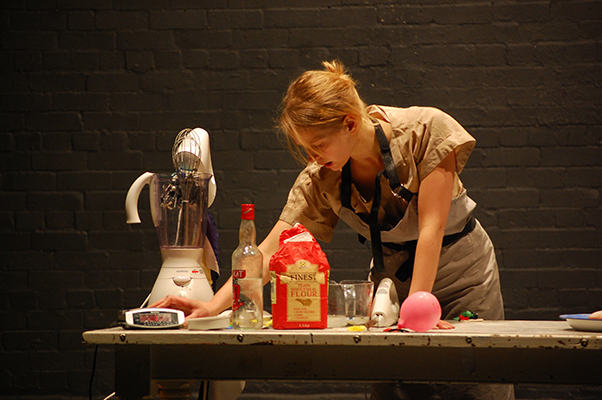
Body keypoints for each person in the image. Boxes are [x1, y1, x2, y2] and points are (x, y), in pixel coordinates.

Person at [152, 60, 514, 400]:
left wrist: (418, 310)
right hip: (392, 282)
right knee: (396, 385)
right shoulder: (321, 175)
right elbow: (264, 251)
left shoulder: (424, 131)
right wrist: (212, 307)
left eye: (318, 145)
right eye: (304, 148)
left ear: (350, 124)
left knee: (472, 383)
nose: (311, 157)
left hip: (460, 276)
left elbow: (432, 228)